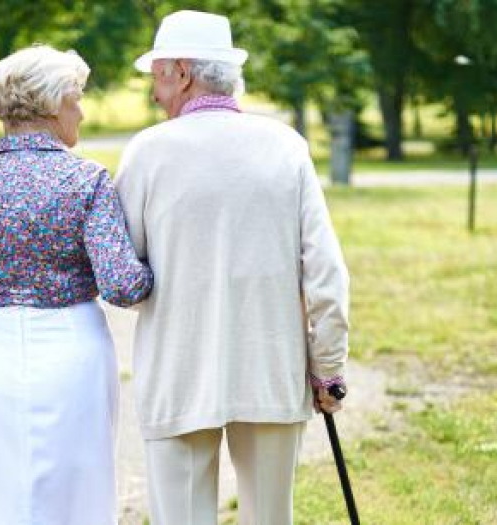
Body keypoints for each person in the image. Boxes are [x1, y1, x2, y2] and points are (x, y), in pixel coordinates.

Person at [115, 10, 351, 525]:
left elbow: (127, 284)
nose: (154, 93)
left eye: (156, 76)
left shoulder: (146, 153)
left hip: (177, 373)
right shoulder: (286, 147)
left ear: (181, 72)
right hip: (268, 370)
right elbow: (326, 272)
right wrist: (327, 367)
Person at [0, 44, 152, 525]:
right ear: (52, 105)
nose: (83, 112)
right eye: (76, 99)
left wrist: (5, 293)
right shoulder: (86, 180)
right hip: (72, 346)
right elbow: (122, 285)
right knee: (77, 487)